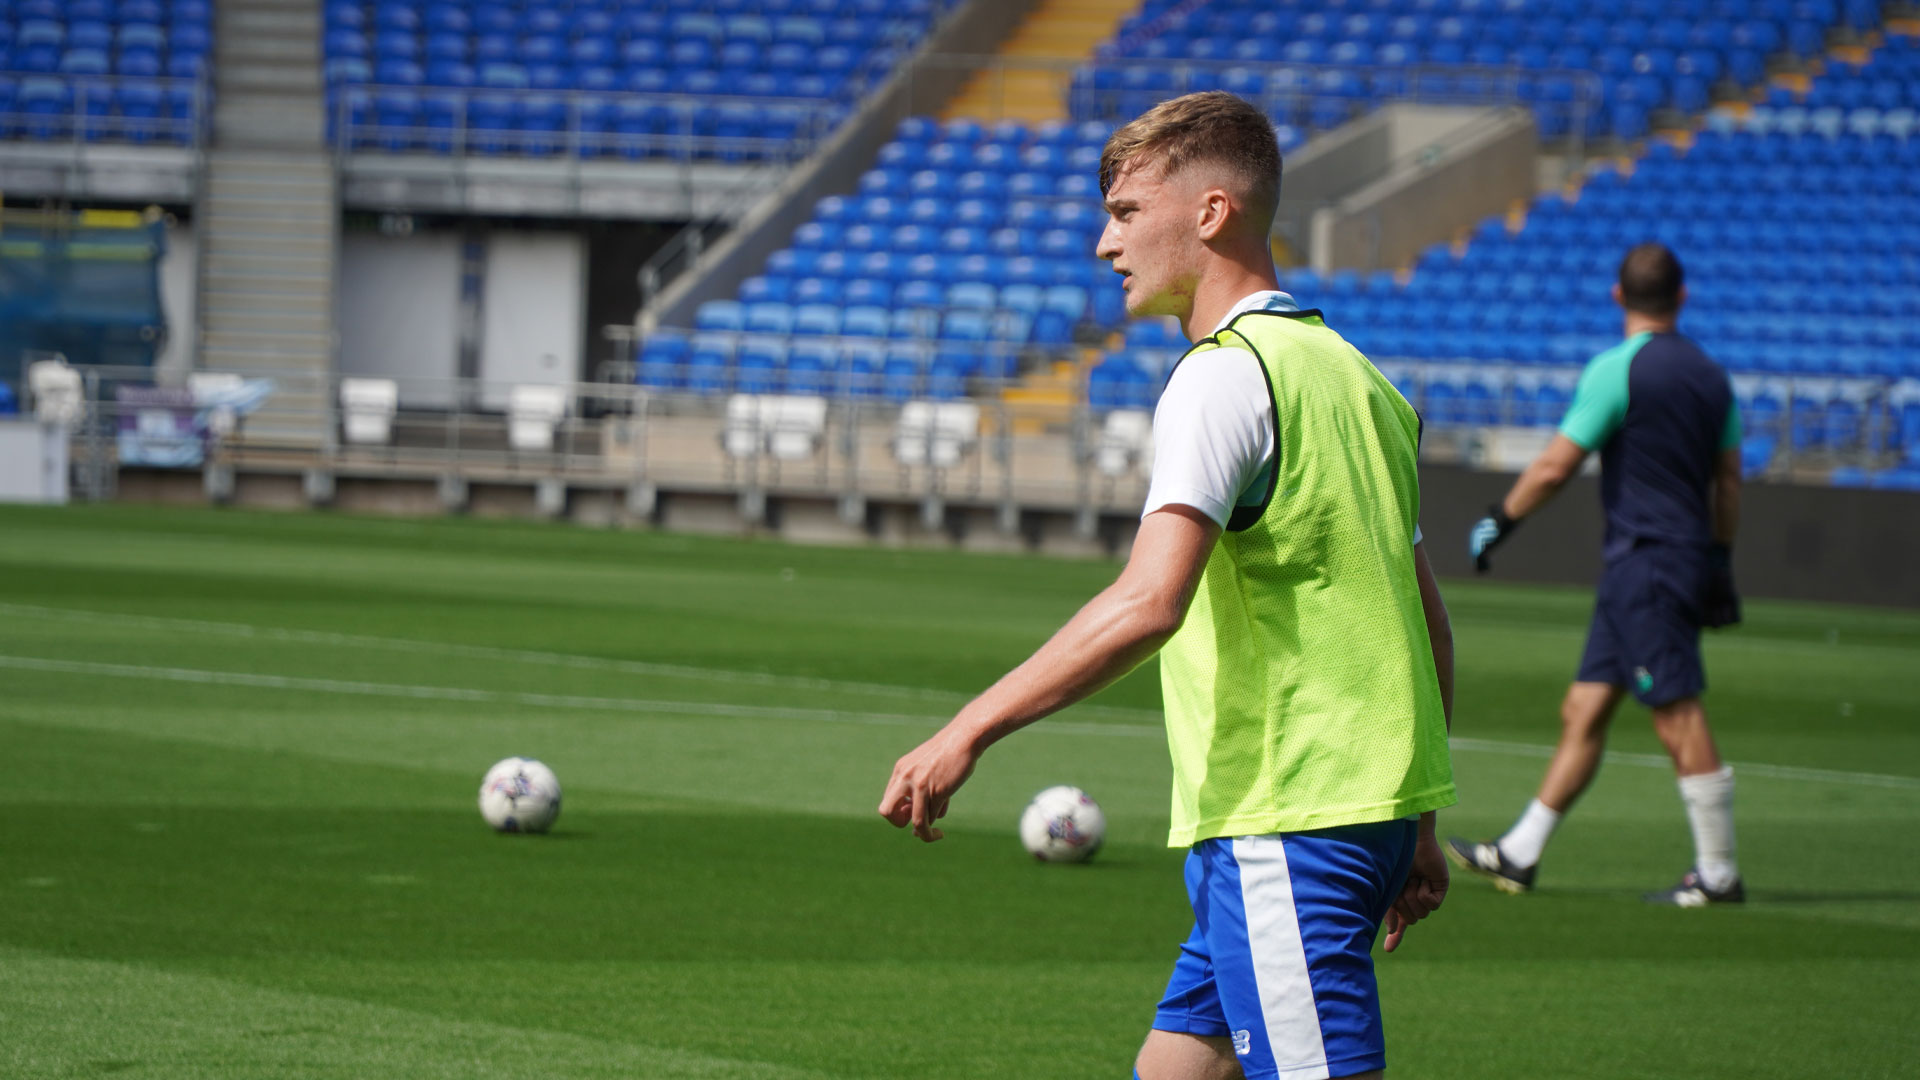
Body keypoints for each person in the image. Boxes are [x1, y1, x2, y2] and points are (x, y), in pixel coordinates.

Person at [877, 92, 1457, 1080]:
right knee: (1176, 1069)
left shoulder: (1220, 377)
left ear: (1212, 212)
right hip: (1350, 813)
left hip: (1290, 818)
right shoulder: (1362, 380)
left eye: (1126, 212)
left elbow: (1151, 602)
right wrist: (1419, 825)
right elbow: (1422, 614)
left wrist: (965, 729)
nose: (1105, 243)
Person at [1450, 242, 1745, 907]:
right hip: (1663, 561)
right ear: (1682, 297)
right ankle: (1521, 852)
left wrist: (1500, 521)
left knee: (1675, 712)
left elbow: (1556, 466)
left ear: (1618, 297)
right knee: (1584, 707)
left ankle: (1719, 875)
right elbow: (1728, 481)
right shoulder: (1711, 376)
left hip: (1648, 561)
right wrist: (1720, 558)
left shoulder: (1618, 370)